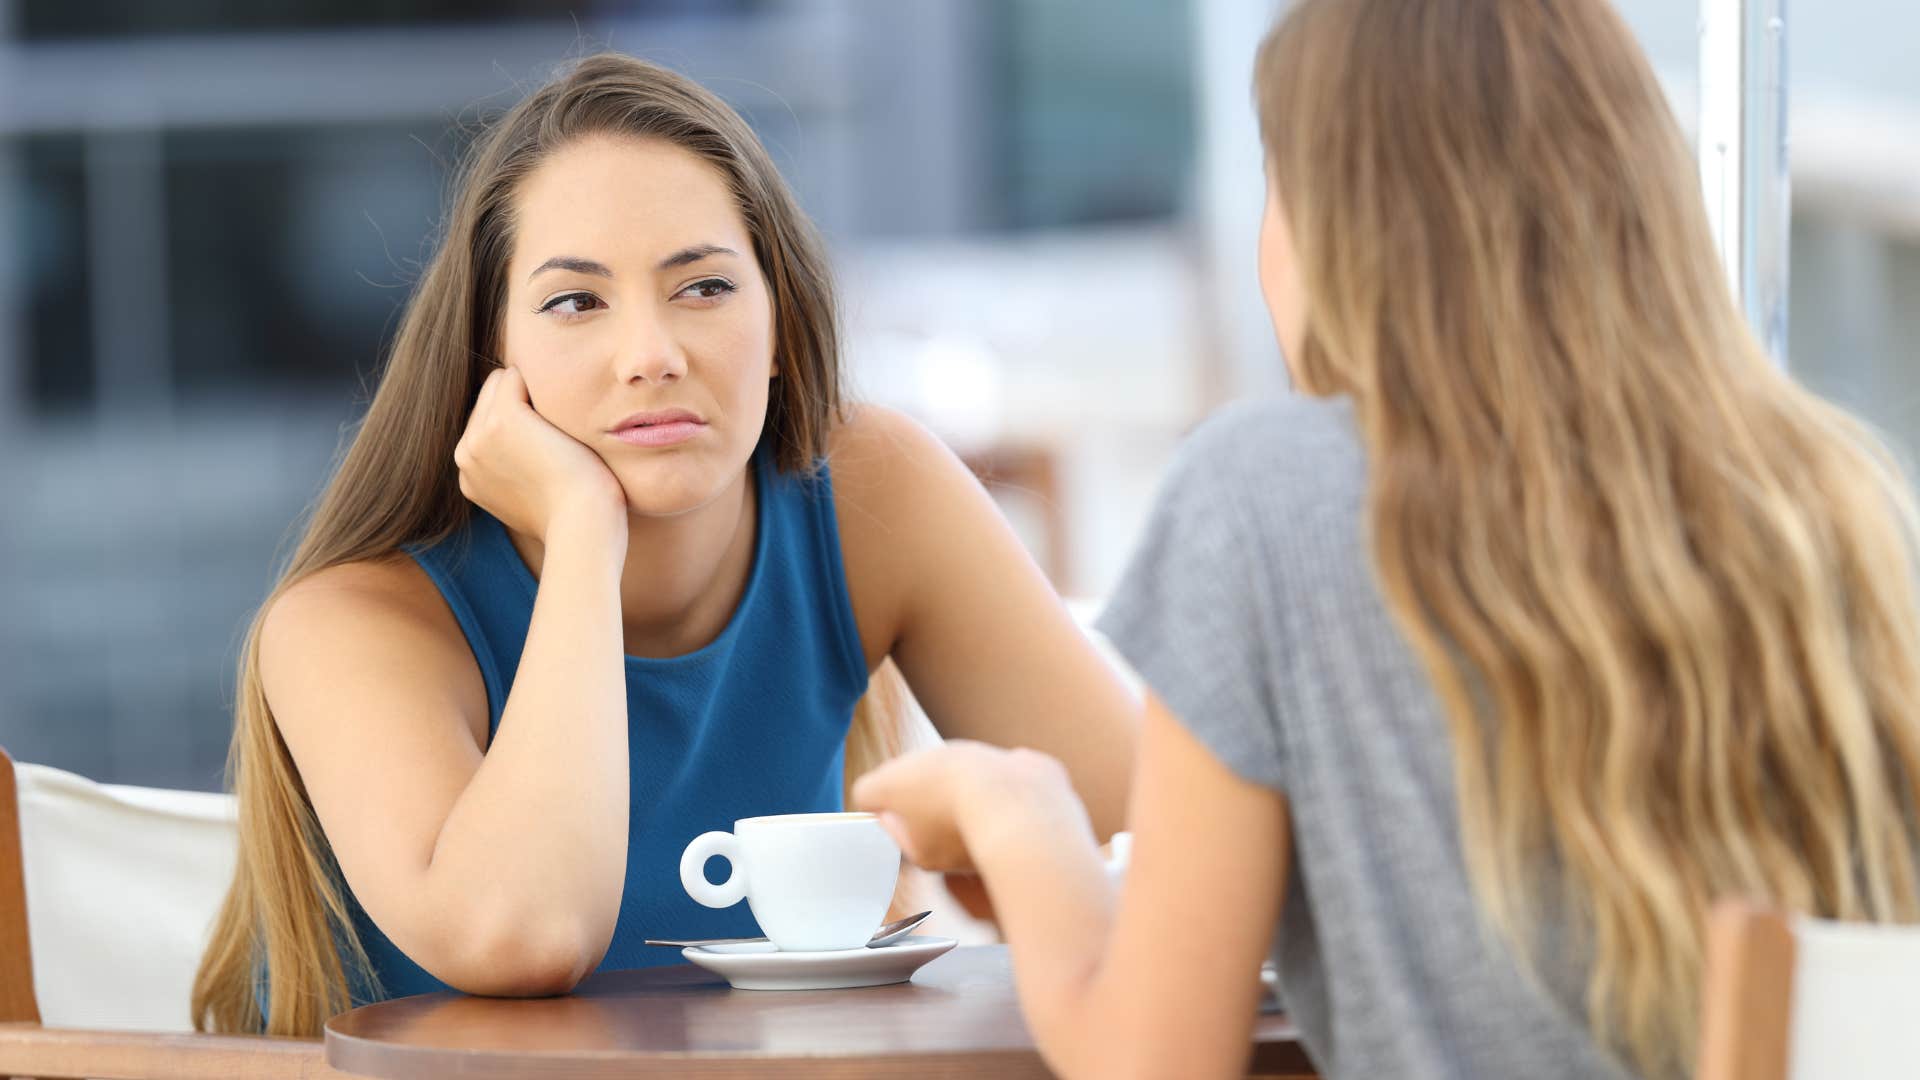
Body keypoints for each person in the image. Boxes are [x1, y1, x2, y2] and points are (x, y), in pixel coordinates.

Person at [853, 2, 1920, 1078]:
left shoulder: (1270, 494)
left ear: (1330, 219)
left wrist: (1018, 815)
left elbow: (1155, 1062)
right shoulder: (1824, 493)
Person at [189, 53, 1140, 1037]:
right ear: (492, 359)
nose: (651, 354)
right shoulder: (348, 626)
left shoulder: (869, 492)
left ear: (780, 324)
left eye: (704, 288)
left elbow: (1156, 837)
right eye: (576, 302)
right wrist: (583, 532)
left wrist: (999, 819)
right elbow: (527, 935)